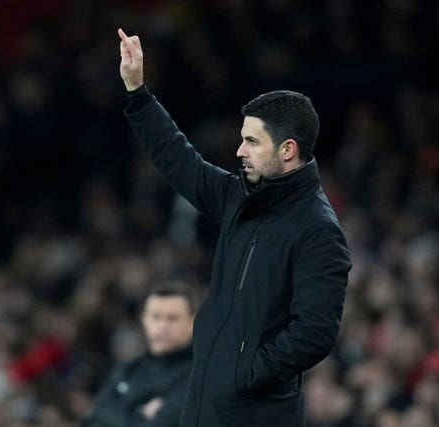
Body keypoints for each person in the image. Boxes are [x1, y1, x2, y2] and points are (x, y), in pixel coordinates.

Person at [117, 28, 352, 427]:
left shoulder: (318, 230)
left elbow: (314, 333)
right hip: (206, 403)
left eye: (252, 142)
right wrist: (138, 93)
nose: (239, 150)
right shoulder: (240, 197)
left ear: (287, 150)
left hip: (257, 414)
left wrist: (246, 374)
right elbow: (180, 160)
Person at [83, 280, 195, 427]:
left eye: (172, 318)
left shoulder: (198, 374)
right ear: (144, 320)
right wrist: (137, 414)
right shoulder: (130, 368)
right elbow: (93, 417)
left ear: (192, 322)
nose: (163, 326)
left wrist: (118, 410)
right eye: (156, 317)